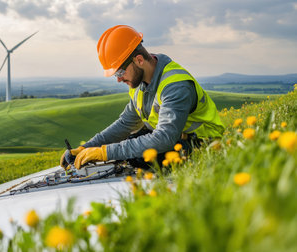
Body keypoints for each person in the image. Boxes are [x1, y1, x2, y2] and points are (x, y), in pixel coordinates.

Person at [61, 25, 225, 170]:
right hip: (175, 140)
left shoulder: (175, 86)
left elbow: (164, 138)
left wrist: (105, 152)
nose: (118, 79)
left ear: (139, 60)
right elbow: (125, 124)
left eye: (119, 72)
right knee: (132, 143)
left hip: (205, 146)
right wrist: (86, 147)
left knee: (138, 155)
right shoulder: (138, 84)